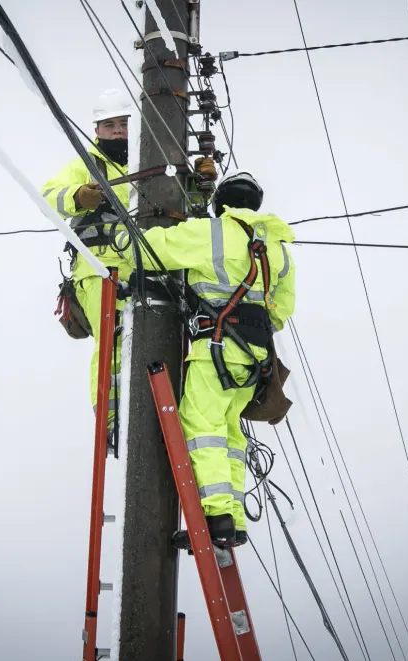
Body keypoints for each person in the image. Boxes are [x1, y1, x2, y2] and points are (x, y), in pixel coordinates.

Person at [104, 169, 296, 547]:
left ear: (220, 204)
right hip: (256, 359)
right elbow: (281, 312)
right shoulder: (278, 250)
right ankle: (232, 518)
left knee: (203, 427)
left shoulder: (213, 232)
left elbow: (152, 249)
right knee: (230, 434)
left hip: (217, 350)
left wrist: (120, 235)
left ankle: (218, 516)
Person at [44, 88, 218, 442]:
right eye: (110, 126)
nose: (118, 132)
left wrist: (201, 185)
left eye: (123, 125)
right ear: (97, 130)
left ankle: (154, 421)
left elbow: (186, 207)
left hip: (149, 266)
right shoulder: (86, 165)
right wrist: (77, 196)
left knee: (160, 341)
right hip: (99, 267)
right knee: (113, 339)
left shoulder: (152, 162)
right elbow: (49, 196)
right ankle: (111, 421)